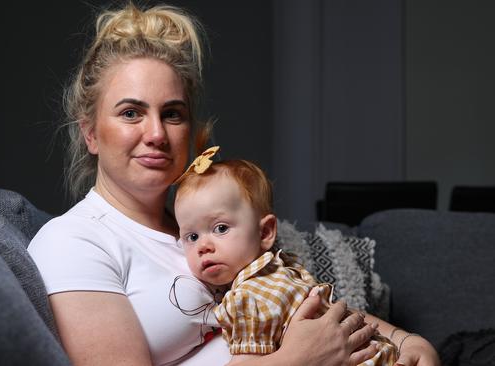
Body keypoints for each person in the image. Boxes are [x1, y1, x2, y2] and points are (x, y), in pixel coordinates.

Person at [28, 2, 441, 365]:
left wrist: (405, 339)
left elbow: (297, 296)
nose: (156, 133)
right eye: (131, 113)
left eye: (172, 114)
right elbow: (309, 346)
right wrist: (297, 360)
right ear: (91, 133)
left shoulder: (205, 225)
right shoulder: (73, 241)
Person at [173, 152, 400, 365]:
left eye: (220, 228)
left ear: (265, 233)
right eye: (192, 236)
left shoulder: (249, 297)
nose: (203, 246)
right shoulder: (281, 269)